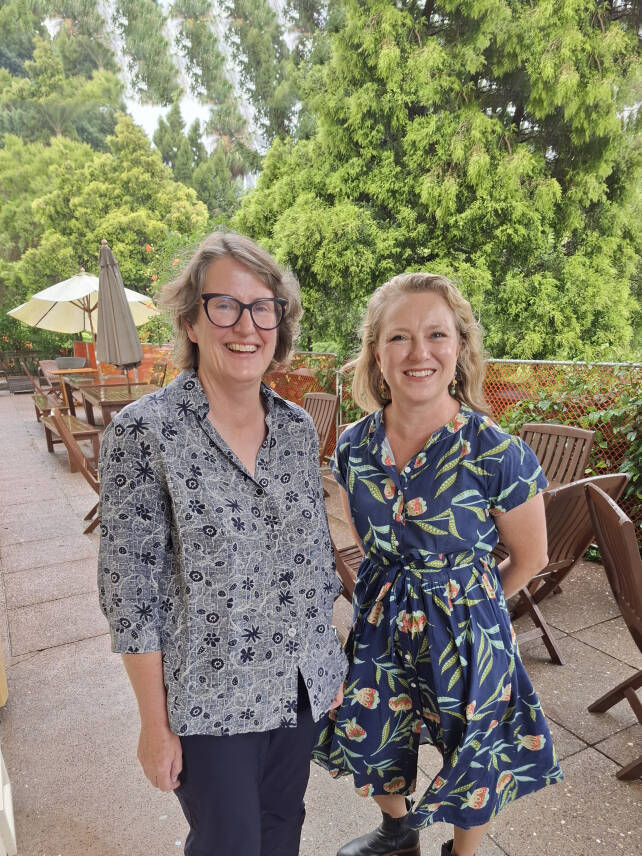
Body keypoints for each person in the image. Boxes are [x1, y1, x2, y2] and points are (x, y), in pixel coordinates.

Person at [98, 230, 347, 856]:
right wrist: (153, 724)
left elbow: (312, 559)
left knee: (283, 829)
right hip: (211, 701)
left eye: (263, 308)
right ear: (191, 320)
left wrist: (327, 660)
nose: (246, 325)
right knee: (227, 844)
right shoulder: (143, 432)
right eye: (225, 305)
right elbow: (130, 596)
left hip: (297, 687)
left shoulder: (295, 428)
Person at [313, 273, 563, 856]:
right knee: (375, 732)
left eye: (436, 334)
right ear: (377, 352)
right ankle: (398, 833)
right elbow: (365, 539)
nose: (418, 352)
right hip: (380, 620)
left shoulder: (496, 451)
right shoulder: (352, 446)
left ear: (460, 347)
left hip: (468, 627)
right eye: (399, 337)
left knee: (473, 752)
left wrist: (475, 608)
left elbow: (532, 556)